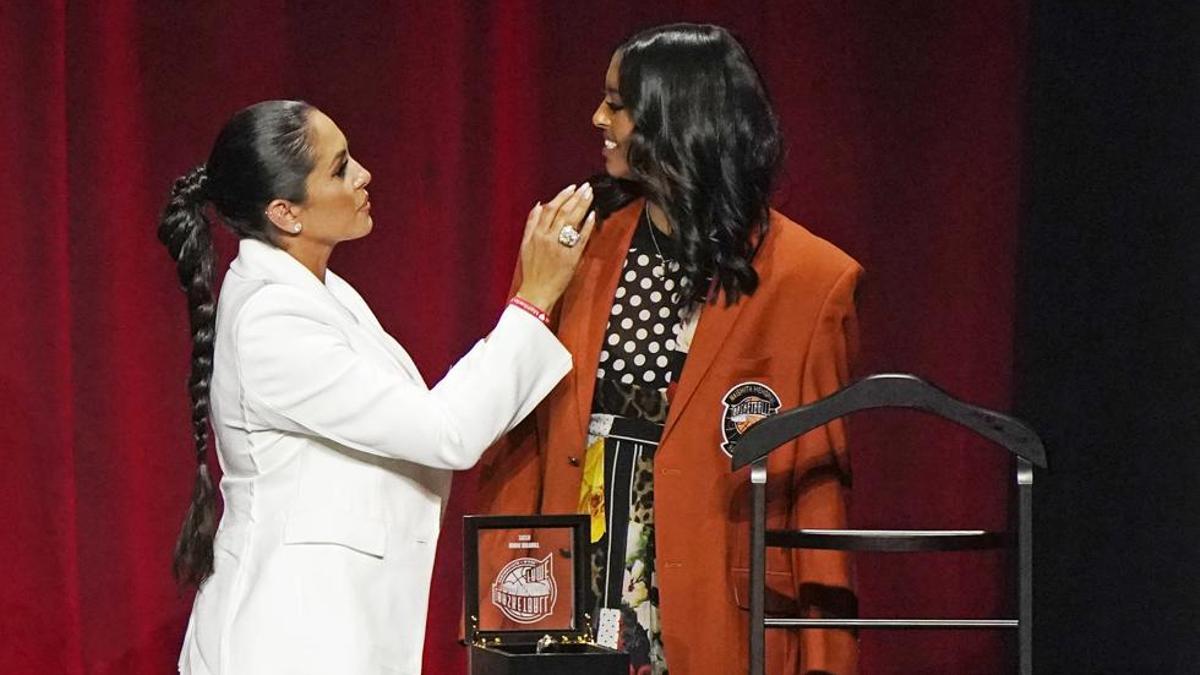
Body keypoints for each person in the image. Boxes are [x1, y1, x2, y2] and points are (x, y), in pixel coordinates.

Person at [157, 99, 594, 675]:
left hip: (331, 628)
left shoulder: (317, 291)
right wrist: (533, 299)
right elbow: (447, 433)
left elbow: (429, 418)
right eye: (339, 168)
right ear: (287, 213)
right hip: (288, 640)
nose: (363, 174)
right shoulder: (272, 321)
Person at [476, 24, 861, 675]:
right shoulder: (575, 245)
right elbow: (523, 446)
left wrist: (828, 656)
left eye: (617, 104)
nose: (598, 118)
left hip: (710, 610)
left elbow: (817, 492)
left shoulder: (812, 279)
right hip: (571, 602)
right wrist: (503, 624)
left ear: (673, 119)